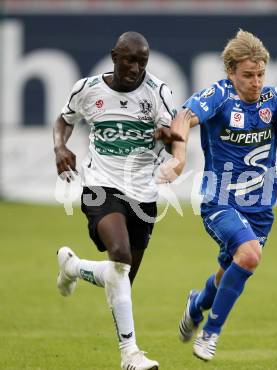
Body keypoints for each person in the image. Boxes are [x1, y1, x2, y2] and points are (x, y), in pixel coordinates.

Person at [167, 29, 277, 361]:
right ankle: (210, 334)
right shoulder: (218, 96)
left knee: (229, 270)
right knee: (249, 256)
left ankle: (197, 304)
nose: (256, 82)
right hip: (218, 200)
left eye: (261, 74)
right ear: (231, 72)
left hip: (261, 207)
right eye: (248, 75)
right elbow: (183, 117)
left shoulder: (274, 99)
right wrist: (178, 158)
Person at [53, 31, 183, 370]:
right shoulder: (87, 89)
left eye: (142, 61)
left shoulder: (158, 93)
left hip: (143, 194)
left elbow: (174, 139)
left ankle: (73, 267)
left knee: (120, 276)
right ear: (114, 55)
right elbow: (63, 121)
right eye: (130, 59)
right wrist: (60, 146)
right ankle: (130, 355)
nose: (136, 68)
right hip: (100, 186)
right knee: (121, 256)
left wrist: (170, 139)